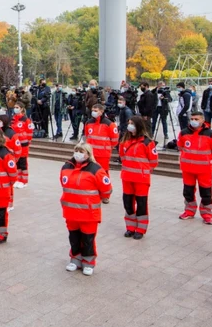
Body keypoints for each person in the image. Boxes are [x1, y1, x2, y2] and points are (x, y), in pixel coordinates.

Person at [60, 143, 112, 276]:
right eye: (76, 150)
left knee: (88, 239)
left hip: (88, 213)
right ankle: (75, 259)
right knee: (74, 237)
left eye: (81, 151)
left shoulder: (96, 169)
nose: (78, 153)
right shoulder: (66, 167)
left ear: (88, 154)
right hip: (71, 212)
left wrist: (92, 201)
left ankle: (88, 262)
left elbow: (106, 190)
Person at [177, 112, 212, 224]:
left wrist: (205, 159)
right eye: (192, 118)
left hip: (204, 170)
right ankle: (189, 211)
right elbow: (180, 147)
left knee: (206, 193)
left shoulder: (211, 134)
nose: (193, 121)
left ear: (202, 120)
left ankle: (207, 214)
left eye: (196, 119)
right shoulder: (183, 133)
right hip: (188, 169)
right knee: (188, 192)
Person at [119, 117, 158, 239]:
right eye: (129, 123)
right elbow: (122, 157)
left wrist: (143, 171)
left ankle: (140, 229)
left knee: (141, 204)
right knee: (128, 204)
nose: (130, 126)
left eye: (132, 124)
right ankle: (130, 227)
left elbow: (153, 161)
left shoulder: (147, 142)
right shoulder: (125, 141)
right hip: (127, 178)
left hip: (141, 179)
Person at [84, 104, 119, 182]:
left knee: (103, 173)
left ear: (101, 111)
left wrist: (107, 147)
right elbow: (87, 136)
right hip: (91, 153)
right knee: (90, 172)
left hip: (103, 155)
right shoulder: (88, 123)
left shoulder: (109, 124)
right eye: (92, 110)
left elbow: (115, 140)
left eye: (96, 111)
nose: (93, 112)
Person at [0, 115, 21, 210]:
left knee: (8, 184)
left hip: (8, 161)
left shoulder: (11, 133)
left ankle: (9, 204)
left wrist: (13, 160)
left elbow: (18, 150)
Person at [11, 102, 34, 188]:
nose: (15, 109)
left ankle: (24, 181)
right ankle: (18, 179)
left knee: (23, 163)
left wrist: (27, 142)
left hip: (24, 145)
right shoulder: (13, 119)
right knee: (17, 163)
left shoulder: (26, 120)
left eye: (17, 107)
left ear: (21, 108)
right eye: (14, 107)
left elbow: (30, 132)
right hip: (15, 144)